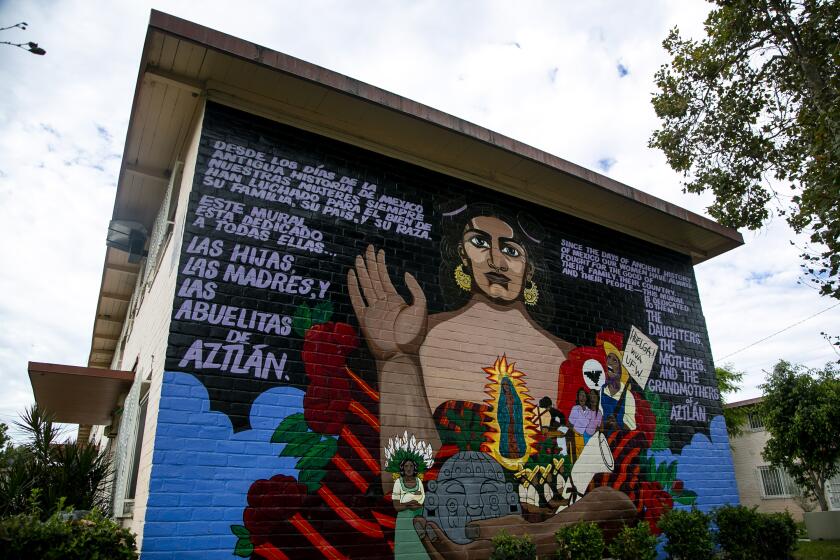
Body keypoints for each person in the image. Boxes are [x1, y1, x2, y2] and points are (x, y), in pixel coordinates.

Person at [347, 203, 636, 558]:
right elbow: (404, 480)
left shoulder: (570, 360)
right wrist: (395, 361)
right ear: (461, 256)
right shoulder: (425, 335)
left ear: (529, 269)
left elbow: (605, 484)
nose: (497, 261)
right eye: (480, 242)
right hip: (451, 526)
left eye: (511, 250)